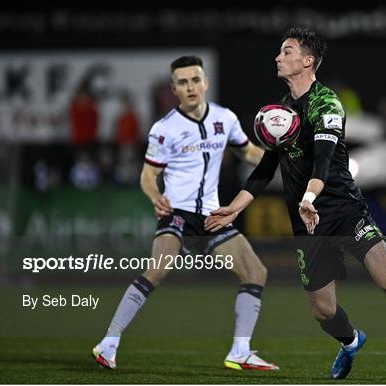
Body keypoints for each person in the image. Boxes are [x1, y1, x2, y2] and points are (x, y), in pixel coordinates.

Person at [205, 27, 386, 382]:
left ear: (307, 61)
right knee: (323, 312)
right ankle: (352, 342)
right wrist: (235, 207)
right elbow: (266, 168)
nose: (278, 57)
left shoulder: (327, 103)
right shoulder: (280, 112)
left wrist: (309, 197)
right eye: (280, 51)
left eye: (287, 51)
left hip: (345, 211)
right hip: (308, 225)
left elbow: (323, 160)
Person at [92, 56, 278, 371]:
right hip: (177, 212)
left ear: (205, 82)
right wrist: (154, 196)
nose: (190, 87)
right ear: (174, 89)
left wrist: (280, 160)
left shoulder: (225, 118)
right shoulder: (165, 129)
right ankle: (108, 342)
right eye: (182, 82)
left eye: (195, 80)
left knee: (256, 272)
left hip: (211, 216)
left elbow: (246, 151)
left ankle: (240, 351)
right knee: (159, 269)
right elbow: (148, 176)